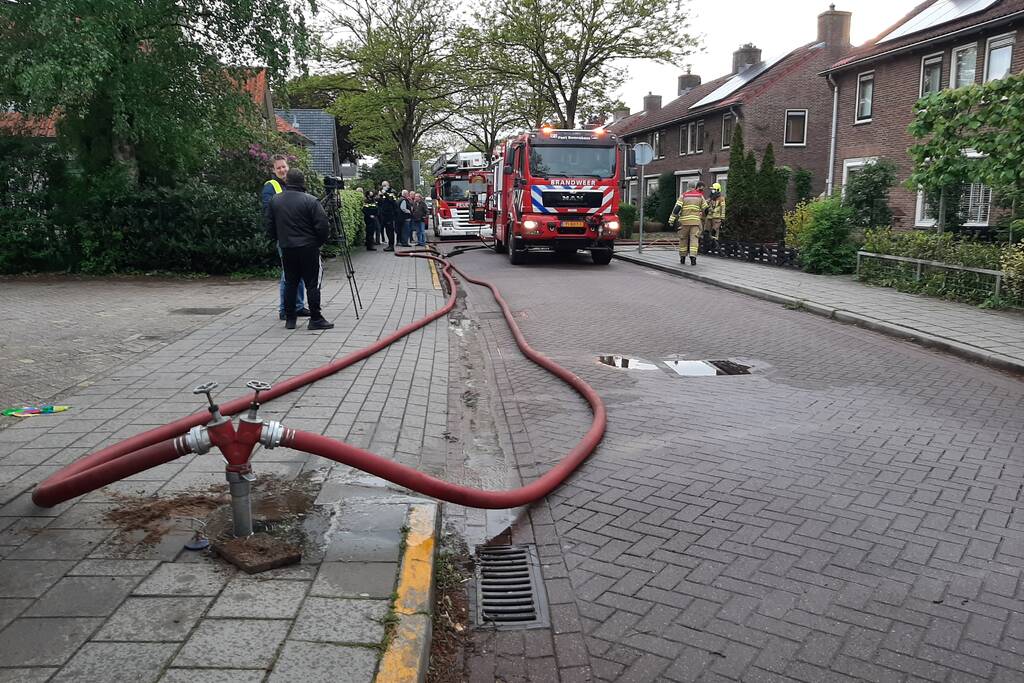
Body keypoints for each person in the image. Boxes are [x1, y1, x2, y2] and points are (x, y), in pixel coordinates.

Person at [265, 169, 334, 331]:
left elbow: (269, 224)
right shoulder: (310, 201)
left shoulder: (275, 200)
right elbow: (323, 225)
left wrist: (280, 240)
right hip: (308, 247)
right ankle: (316, 318)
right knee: (312, 283)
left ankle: (290, 319)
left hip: (287, 247)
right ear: (303, 182)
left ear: (287, 181)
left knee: (290, 282)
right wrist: (319, 242)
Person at [262, 155, 308, 320]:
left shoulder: (293, 184)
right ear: (273, 170)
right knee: (288, 274)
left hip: (298, 235)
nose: (282, 170)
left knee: (300, 271)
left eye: (284, 167)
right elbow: (269, 211)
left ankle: (298, 306)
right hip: (285, 236)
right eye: (278, 168)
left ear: (288, 167)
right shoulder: (271, 186)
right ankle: (285, 309)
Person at [668, 181, 708, 266]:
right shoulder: (700, 196)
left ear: (687, 187)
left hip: (684, 222)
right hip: (695, 222)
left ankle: (682, 258)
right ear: (695, 187)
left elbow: (677, 208)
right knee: (694, 240)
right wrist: (705, 217)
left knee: (683, 239)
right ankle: (693, 258)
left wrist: (671, 220)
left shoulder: (683, 195)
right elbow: (706, 209)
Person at [377, 183, 398, 252]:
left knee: (390, 231)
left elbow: (392, 200)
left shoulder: (392, 192)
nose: (383, 187)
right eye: (382, 186)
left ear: (388, 186)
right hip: (384, 215)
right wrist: (380, 196)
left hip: (390, 215)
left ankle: (391, 246)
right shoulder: (383, 194)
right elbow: (380, 203)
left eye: (384, 185)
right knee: (387, 230)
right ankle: (389, 245)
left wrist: (385, 193)